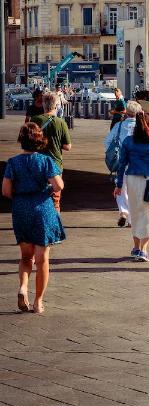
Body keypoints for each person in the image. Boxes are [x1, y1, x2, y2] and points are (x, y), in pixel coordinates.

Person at [2, 122, 65, 314]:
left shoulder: (13, 162)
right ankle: (38, 302)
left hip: (21, 209)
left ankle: (23, 288)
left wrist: (21, 196)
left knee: (25, 256)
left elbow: (5, 191)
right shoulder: (46, 161)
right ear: (39, 140)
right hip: (42, 209)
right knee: (42, 258)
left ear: (22, 140)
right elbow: (58, 186)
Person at [114, 111, 149, 262]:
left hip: (131, 179)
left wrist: (118, 185)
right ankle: (143, 250)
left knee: (135, 213)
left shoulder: (128, 142)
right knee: (148, 214)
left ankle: (136, 247)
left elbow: (121, 164)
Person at [30, 91, 72, 212]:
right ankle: (54, 227)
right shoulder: (61, 122)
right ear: (56, 106)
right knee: (55, 201)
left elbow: (29, 142)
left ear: (44, 104)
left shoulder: (35, 120)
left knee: (37, 198)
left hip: (37, 164)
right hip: (55, 164)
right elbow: (68, 146)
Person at [104, 99, 142, 227]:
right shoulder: (142, 126)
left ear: (127, 113)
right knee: (135, 191)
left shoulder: (119, 126)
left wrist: (114, 152)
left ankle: (124, 212)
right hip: (138, 163)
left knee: (120, 188)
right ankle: (132, 219)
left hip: (122, 162)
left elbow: (107, 142)